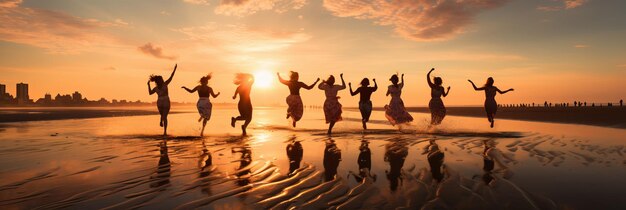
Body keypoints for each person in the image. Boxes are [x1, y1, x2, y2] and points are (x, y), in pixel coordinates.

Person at [148, 64, 177, 136]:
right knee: (165, 116)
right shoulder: (165, 84)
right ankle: (164, 131)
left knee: (163, 115)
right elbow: (171, 76)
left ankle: (161, 122)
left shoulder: (156, 88)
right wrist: (174, 69)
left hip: (160, 101)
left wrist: (148, 85)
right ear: (160, 80)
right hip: (165, 100)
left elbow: (150, 93)